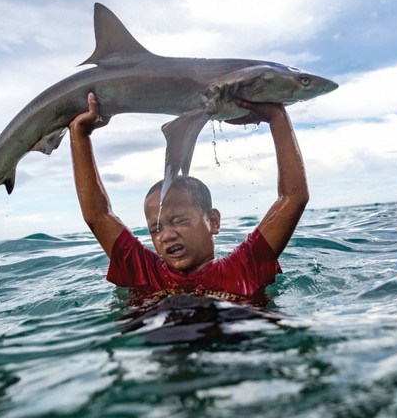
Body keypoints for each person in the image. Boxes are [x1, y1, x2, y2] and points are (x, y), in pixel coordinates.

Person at [69, 92, 308, 305]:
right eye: (155, 229)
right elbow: (98, 215)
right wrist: (80, 133)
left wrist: (277, 117)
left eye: (178, 220)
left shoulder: (245, 267)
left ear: (213, 221)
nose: (166, 236)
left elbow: (293, 197)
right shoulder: (143, 271)